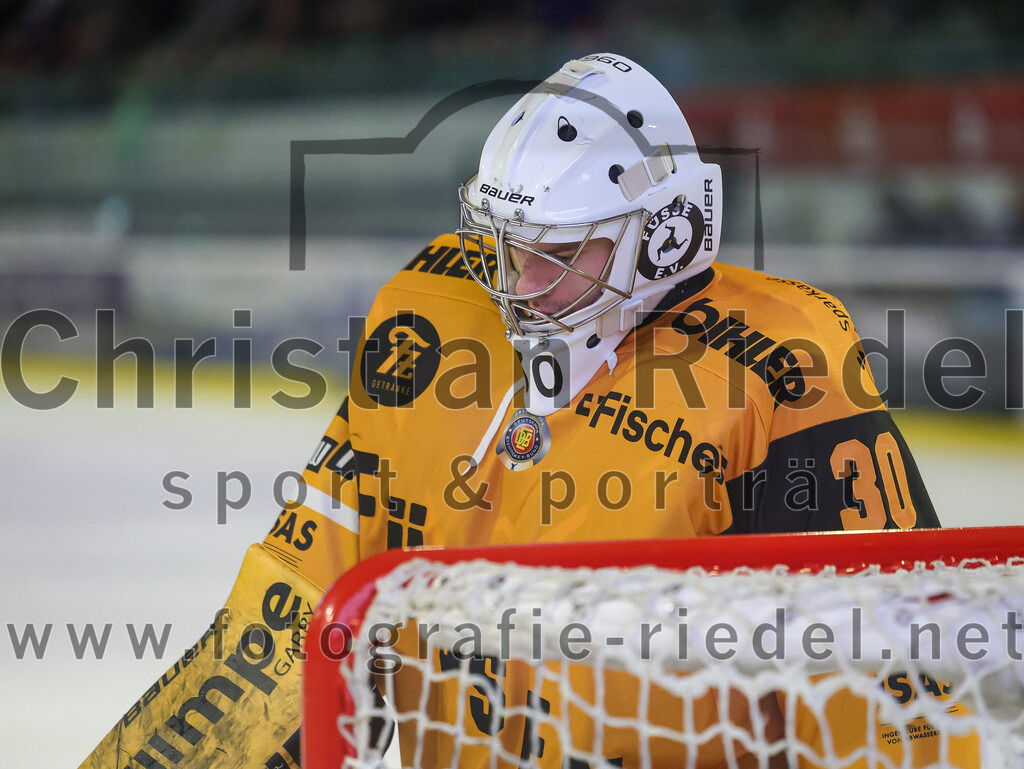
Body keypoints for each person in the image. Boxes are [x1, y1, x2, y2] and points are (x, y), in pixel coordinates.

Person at [79, 53, 971, 769]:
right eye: (506, 247)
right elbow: (301, 597)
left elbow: (882, 678)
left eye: (561, 253)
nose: (519, 287)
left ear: (665, 232)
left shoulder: (783, 359)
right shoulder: (428, 309)